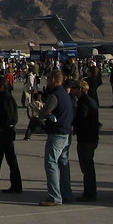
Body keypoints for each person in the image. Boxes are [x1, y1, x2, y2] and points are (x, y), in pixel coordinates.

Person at [37, 71, 74, 206]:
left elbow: (43, 113)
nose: (47, 82)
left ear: (53, 79)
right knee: (64, 164)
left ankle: (54, 196)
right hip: (66, 132)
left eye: (48, 79)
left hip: (57, 133)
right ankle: (66, 194)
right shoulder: (65, 94)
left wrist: (46, 115)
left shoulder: (55, 95)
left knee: (51, 163)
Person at [72, 79, 101, 202]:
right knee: (89, 166)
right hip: (93, 137)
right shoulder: (92, 100)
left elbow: (82, 120)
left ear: (80, 89)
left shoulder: (83, 103)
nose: (72, 90)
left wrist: (74, 125)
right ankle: (90, 191)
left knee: (87, 167)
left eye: (74, 88)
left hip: (85, 139)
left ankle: (89, 192)